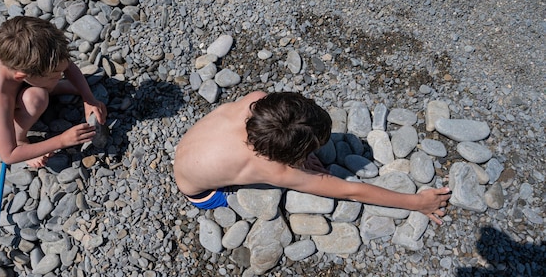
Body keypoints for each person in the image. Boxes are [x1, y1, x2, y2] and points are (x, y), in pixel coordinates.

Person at [173, 91, 451, 224]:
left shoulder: (255, 100)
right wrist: (416, 202)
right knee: (257, 202)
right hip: (201, 192)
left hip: (190, 151)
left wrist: (297, 157)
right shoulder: (274, 171)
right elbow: (351, 191)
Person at [0, 16, 107, 168]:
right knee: (37, 98)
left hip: (20, 83)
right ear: (22, 77)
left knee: (48, 84)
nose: (61, 74)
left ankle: (56, 87)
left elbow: (67, 65)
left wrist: (88, 99)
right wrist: (63, 140)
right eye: (55, 75)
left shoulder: (23, 50)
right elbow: (8, 155)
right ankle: (21, 139)